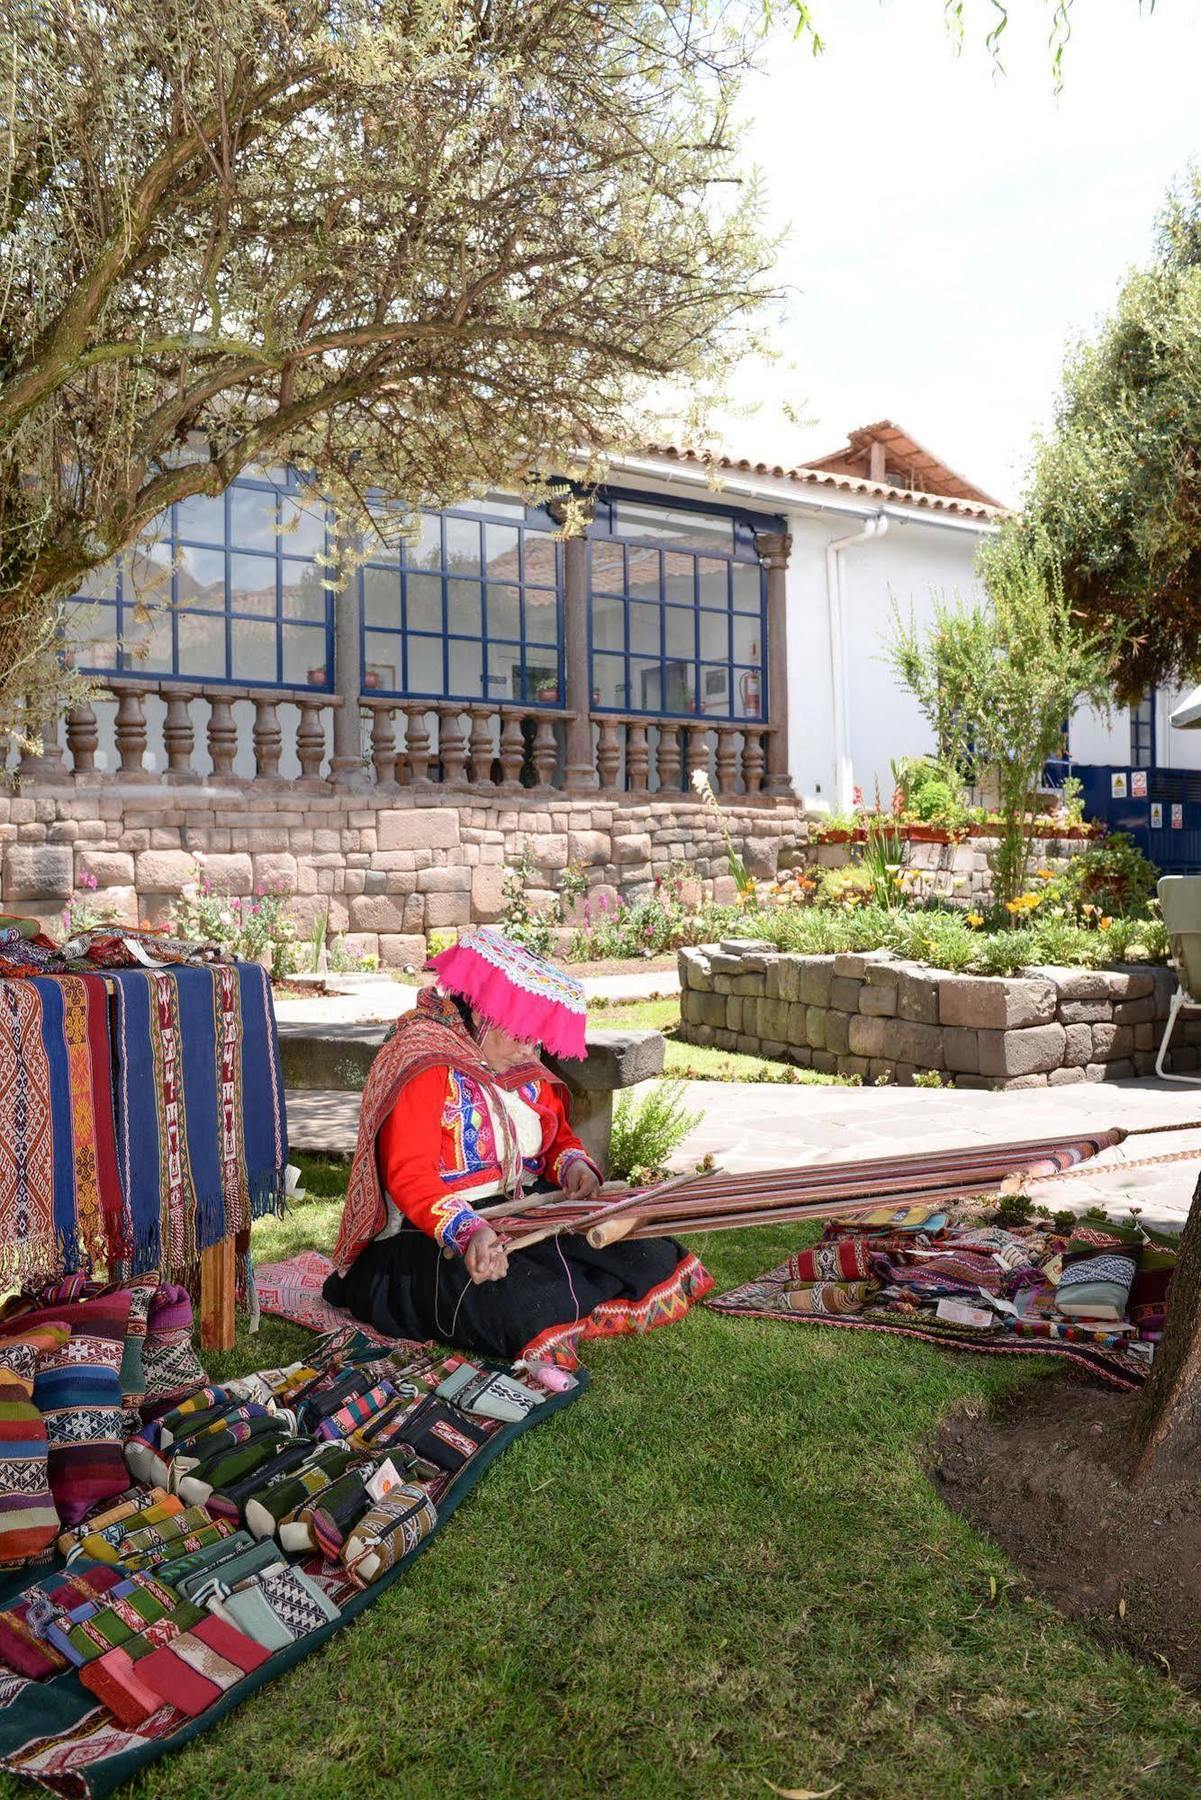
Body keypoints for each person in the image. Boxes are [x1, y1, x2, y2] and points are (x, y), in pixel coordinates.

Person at [323, 927, 712, 1365]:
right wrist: (471, 1231)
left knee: (650, 1254)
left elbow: (556, 1140)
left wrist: (573, 1168)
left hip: (521, 1211)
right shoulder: (424, 1061)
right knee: (522, 1305)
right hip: (436, 1232)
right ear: (484, 1017)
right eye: (520, 1036)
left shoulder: (516, 1061)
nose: (530, 1052)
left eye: (536, 1038)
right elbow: (410, 1175)